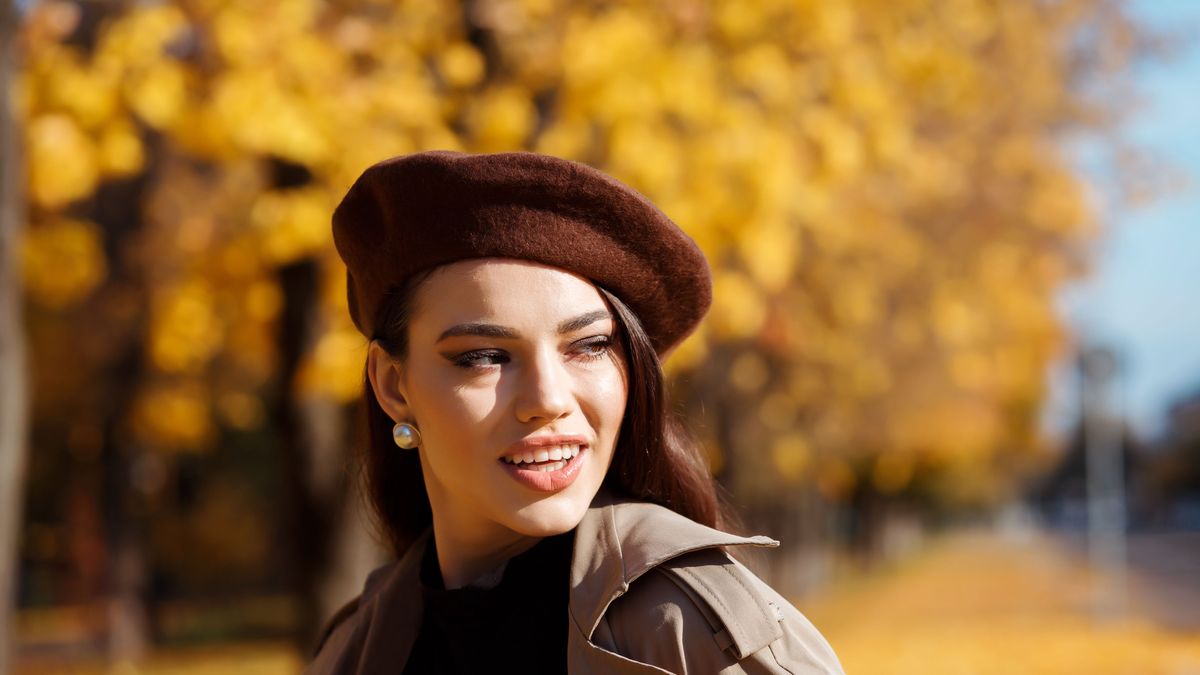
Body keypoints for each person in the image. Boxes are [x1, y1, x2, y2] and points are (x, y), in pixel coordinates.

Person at [305, 150, 844, 674]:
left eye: (588, 346)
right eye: (484, 357)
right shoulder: (354, 647)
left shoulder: (693, 632)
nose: (549, 400)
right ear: (393, 385)